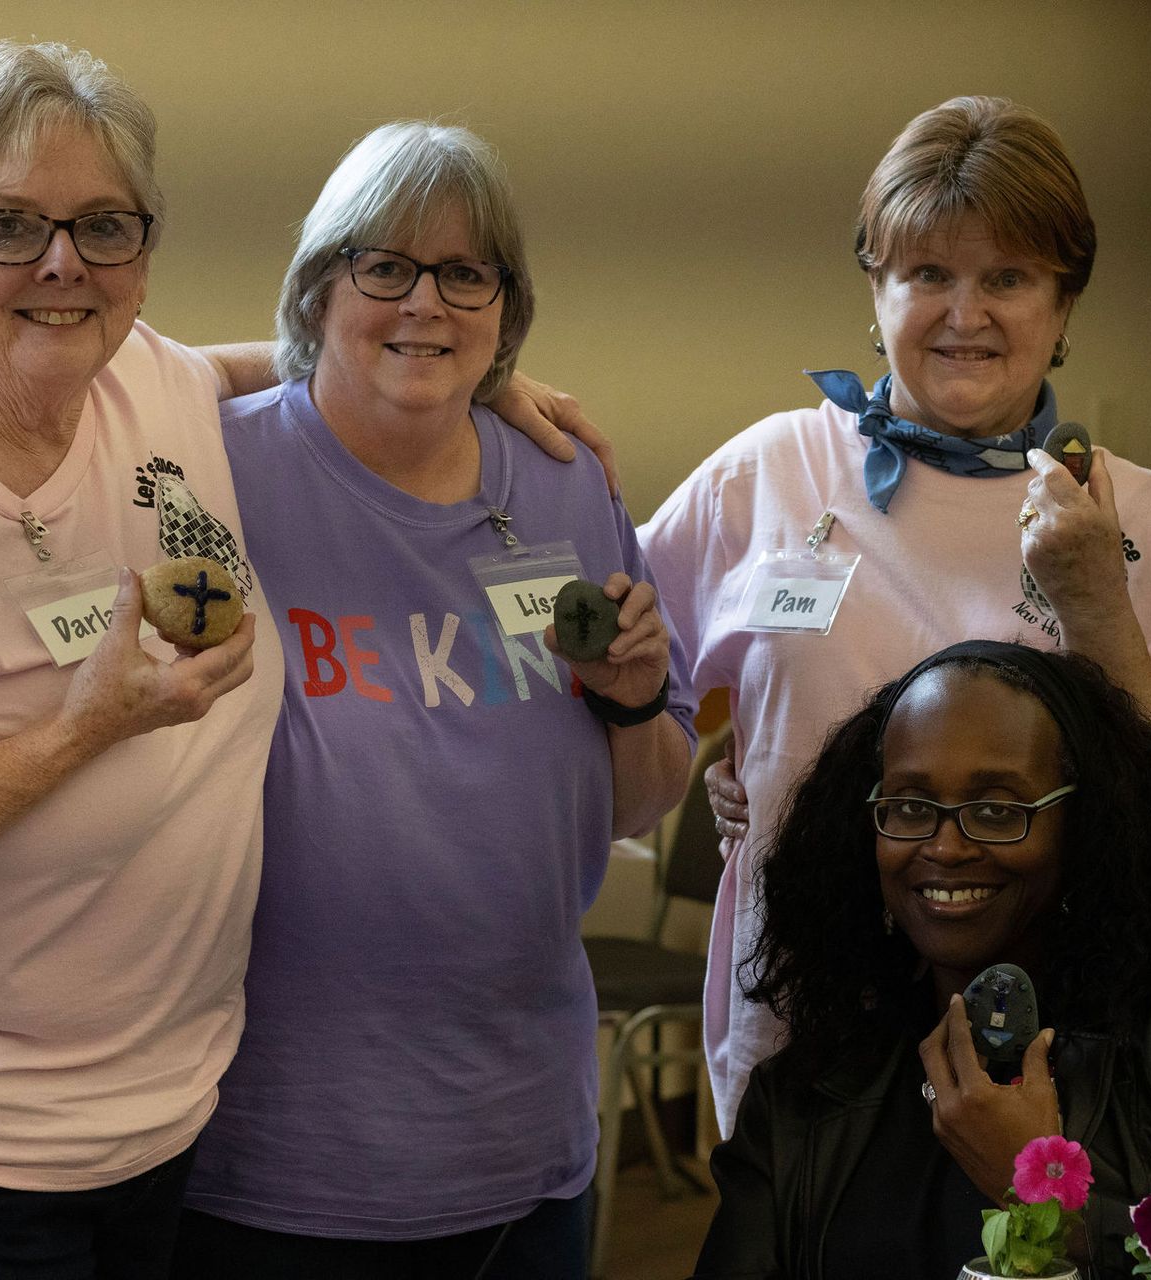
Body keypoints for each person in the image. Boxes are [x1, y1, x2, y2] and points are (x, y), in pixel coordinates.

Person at [0, 43, 598, 1278]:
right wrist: (76, 730)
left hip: (150, 1125)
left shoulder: (137, 379)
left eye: (104, 226)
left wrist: (440, 375)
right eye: (10, 225)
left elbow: (250, 369)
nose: (65, 263)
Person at [172, 122, 696, 1277]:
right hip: (273, 1153)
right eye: (386, 266)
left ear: (507, 309)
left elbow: (643, 801)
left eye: (467, 274)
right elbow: (107, 379)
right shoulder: (215, 471)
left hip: (517, 1147)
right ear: (317, 288)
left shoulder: (564, 485)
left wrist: (632, 700)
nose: (427, 302)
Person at [639, 95, 1151, 1137]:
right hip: (800, 1030)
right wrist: (741, 765)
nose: (967, 312)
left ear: (1065, 303)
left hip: (1044, 1045)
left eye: (1008, 277)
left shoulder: (1131, 511)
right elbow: (622, 668)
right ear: (876, 286)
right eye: (929, 275)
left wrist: (1095, 603)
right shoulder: (768, 472)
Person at [691, 640, 1151, 1279]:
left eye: (998, 810)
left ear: (1086, 829)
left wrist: (1054, 1207)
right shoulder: (814, 1086)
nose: (946, 848)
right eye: (911, 807)